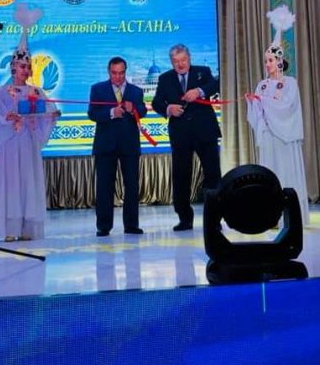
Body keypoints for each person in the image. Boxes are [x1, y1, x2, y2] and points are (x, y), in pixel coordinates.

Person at [0, 5, 59, 241]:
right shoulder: (2, 92)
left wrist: (51, 115)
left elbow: (44, 112)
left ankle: (27, 229)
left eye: (28, 66)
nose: (26, 70)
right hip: (11, 146)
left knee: (28, 183)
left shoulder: (36, 91)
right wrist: (9, 118)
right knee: (12, 184)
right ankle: (11, 230)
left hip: (28, 145)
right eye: (22, 66)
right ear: (13, 67)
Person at [245, 20, 310, 226]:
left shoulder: (290, 83)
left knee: (287, 171)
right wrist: (253, 102)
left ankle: (292, 215)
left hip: (285, 136)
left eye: (271, 60)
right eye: (266, 61)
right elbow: (258, 112)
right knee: (270, 172)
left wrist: (264, 102)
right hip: (268, 135)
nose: (268, 64)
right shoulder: (262, 85)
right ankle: (270, 214)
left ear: (280, 61)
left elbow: (288, 106)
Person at [152, 44, 221, 231]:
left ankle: (214, 219)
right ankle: (184, 219)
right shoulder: (165, 78)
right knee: (181, 176)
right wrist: (169, 109)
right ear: (171, 62)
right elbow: (157, 102)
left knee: (213, 175)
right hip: (180, 134)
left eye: (183, 60)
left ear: (189, 58)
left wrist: (199, 91)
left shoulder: (203, 72)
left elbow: (215, 85)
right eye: (176, 61)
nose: (180, 64)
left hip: (205, 132)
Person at [88, 57, 147, 237]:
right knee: (104, 186)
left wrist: (133, 109)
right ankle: (103, 226)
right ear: (109, 72)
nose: (118, 77)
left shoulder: (136, 91)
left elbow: (143, 110)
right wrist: (111, 113)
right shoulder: (97, 89)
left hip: (129, 146)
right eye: (114, 73)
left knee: (132, 186)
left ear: (125, 72)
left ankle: (131, 225)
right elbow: (92, 114)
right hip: (105, 146)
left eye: (121, 73)